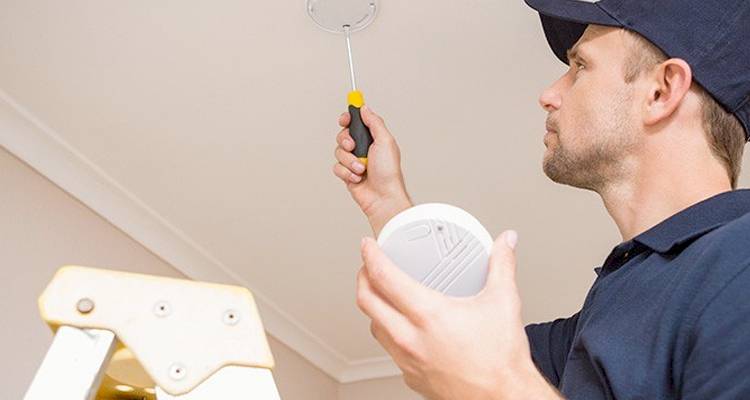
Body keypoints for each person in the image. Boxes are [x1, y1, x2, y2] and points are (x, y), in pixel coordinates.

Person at [332, 0, 750, 398]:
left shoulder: (740, 262)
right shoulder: (612, 309)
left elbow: (487, 370)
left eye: (580, 66)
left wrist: (493, 387)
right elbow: (453, 333)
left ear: (661, 91)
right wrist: (387, 203)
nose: (549, 93)